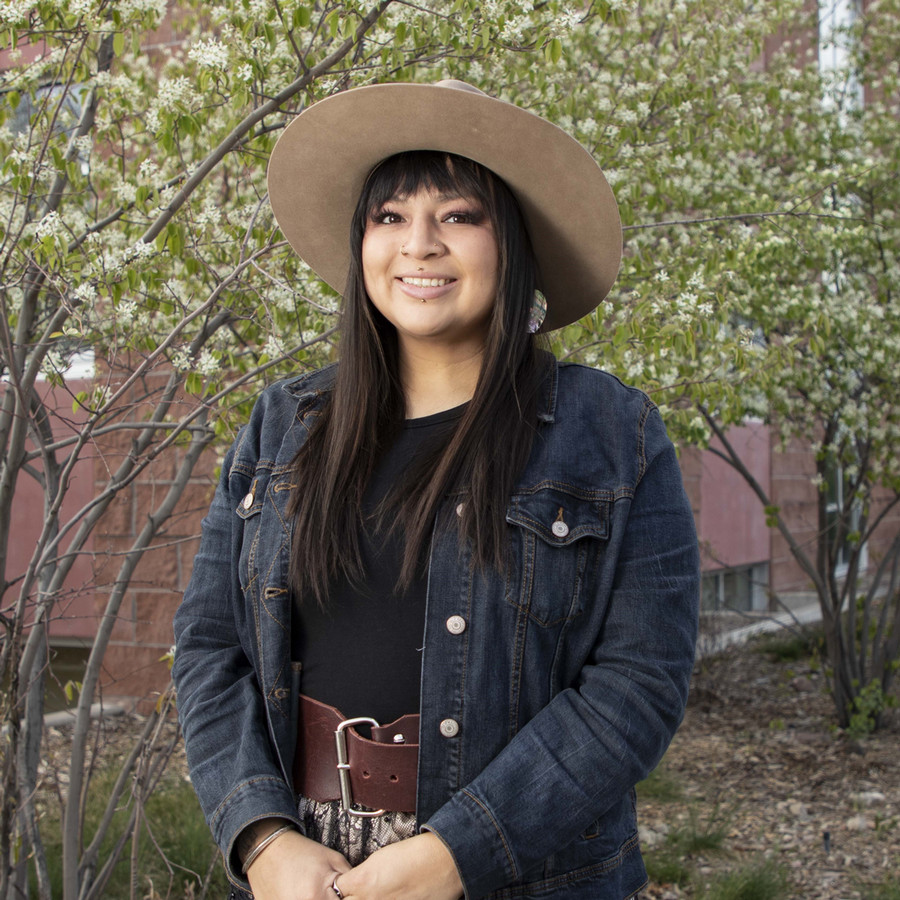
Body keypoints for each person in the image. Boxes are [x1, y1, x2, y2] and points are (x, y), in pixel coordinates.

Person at [172, 80, 700, 900]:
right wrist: (262, 837)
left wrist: (459, 853)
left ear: (512, 242)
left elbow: (639, 683)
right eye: (389, 217)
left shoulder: (611, 434)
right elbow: (210, 650)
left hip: (518, 870)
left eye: (458, 215)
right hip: (306, 868)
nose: (418, 245)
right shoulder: (284, 426)